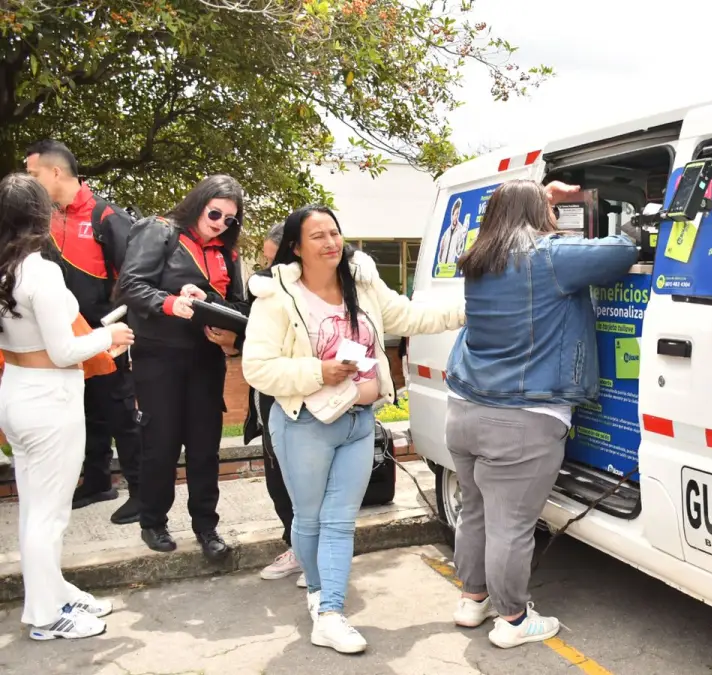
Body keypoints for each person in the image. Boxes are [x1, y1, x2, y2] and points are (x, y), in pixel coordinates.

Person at [241, 205, 464, 655]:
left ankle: (330, 613)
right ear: (296, 248)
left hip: (359, 422)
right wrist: (318, 371)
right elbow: (257, 368)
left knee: (341, 521)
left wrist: (470, 309)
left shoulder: (361, 284)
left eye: (335, 233)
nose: (330, 242)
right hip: (304, 423)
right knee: (309, 518)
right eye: (317, 236)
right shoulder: (277, 298)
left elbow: (409, 316)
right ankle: (318, 596)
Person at [444, 179, 638, 649]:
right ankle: (512, 620)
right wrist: (633, 221)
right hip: (522, 417)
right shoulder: (548, 256)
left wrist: (536, 197)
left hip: (466, 410)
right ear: (538, 214)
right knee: (511, 523)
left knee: (476, 512)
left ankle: (473, 600)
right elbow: (620, 250)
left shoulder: (478, 259)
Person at [0, 173, 136, 640]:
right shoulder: (40, 270)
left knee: (34, 508)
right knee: (48, 513)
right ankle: (45, 616)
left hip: (16, 391)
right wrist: (108, 336)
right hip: (49, 398)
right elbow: (63, 350)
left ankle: (53, 591)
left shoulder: (4, 268)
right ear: (43, 215)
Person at [119, 175, 249, 559]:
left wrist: (208, 300)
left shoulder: (228, 253)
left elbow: (238, 305)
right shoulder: (160, 231)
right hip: (159, 356)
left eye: (230, 219)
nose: (221, 222)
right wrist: (171, 302)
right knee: (160, 443)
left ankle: (206, 527)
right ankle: (153, 521)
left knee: (205, 446)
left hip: (205, 358)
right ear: (199, 203)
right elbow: (131, 285)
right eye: (215, 213)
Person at [24, 140, 144, 525]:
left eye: (33, 174)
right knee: (87, 412)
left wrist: (116, 330)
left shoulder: (106, 217)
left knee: (121, 413)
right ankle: (96, 482)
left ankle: (143, 493)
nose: (30, 181)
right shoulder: (44, 221)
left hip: (107, 338)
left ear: (55, 172)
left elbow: (135, 280)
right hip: (68, 340)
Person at [240, 223, 303, 586]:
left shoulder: (301, 291)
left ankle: (308, 552)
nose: (266, 267)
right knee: (278, 475)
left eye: (271, 258)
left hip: (295, 399)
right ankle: (296, 544)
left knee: (300, 481)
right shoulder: (266, 288)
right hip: (268, 396)